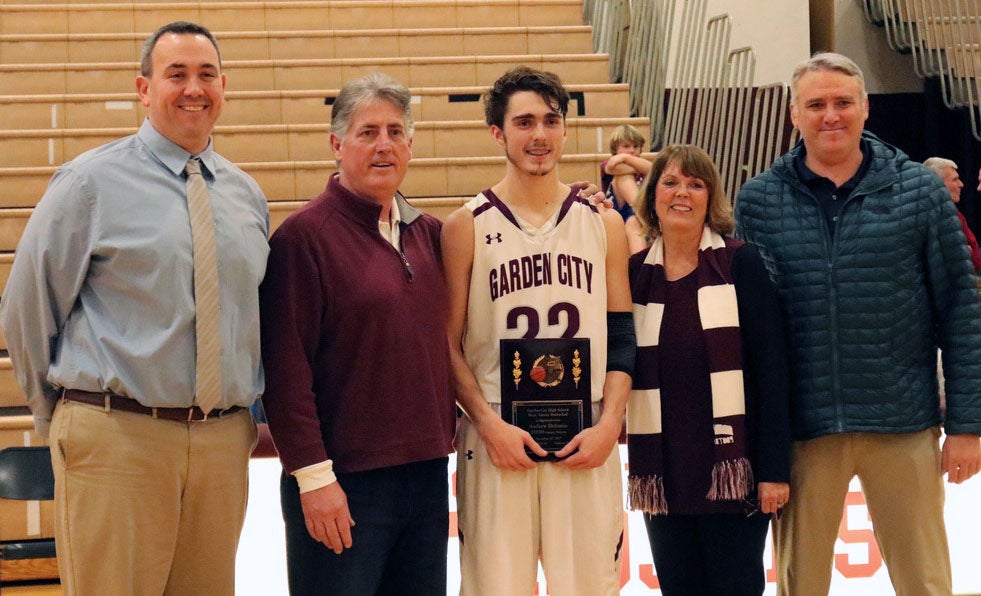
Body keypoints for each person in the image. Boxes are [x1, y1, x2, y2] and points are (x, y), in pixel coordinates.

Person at [0, 21, 269, 595]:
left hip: (221, 444)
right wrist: (59, 418)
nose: (193, 88)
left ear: (224, 86)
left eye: (206, 74)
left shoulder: (245, 195)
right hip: (117, 436)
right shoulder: (89, 184)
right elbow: (26, 308)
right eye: (176, 74)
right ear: (144, 89)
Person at [735, 52, 981, 596]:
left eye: (843, 102)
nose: (831, 116)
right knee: (802, 585)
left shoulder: (919, 192)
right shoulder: (758, 201)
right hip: (805, 430)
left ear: (866, 108)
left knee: (926, 581)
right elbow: (752, 330)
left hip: (903, 422)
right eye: (816, 104)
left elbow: (961, 309)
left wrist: (967, 424)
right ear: (793, 113)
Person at [259, 73, 456, 596]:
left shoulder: (431, 234)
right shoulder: (302, 239)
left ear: (411, 145)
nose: (384, 144)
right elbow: (285, 372)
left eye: (395, 131)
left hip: (428, 477)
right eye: (368, 132)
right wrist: (314, 478)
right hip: (343, 484)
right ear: (336, 144)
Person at [442, 66, 634, 596]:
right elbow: (447, 346)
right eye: (524, 122)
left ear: (566, 130)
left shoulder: (603, 223)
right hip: (497, 439)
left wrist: (609, 428)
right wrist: (486, 424)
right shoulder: (465, 226)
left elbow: (622, 338)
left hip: (585, 439)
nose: (540, 135)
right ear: (498, 134)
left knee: (590, 588)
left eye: (551, 121)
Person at [627, 144, 791, 595]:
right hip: (664, 477)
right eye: (671, 182)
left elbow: (772, 374)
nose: (683, 193)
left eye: (696, 184)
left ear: (710, 197)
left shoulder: (741, 263)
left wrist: (774, 470)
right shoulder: (633, 275)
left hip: (732, 474)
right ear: (652, 195)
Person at [601, 124, 653, 253]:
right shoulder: (606, 164)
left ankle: (639, 267)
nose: (631, 150)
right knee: (624, 177)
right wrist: (638, 166)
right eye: (626, 146)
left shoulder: (639, 163)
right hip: (615, 215)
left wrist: (625, 157)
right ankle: (645, 218)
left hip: (633, 218)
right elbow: (613, 167)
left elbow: (652, 169)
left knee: (633, 222)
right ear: (615, 149)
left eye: (636, 146)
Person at [924, 157, 981, 273]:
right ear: (937, 184)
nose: (961, 184)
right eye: (955, 180)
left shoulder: (956, 216)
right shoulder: (926, 218)